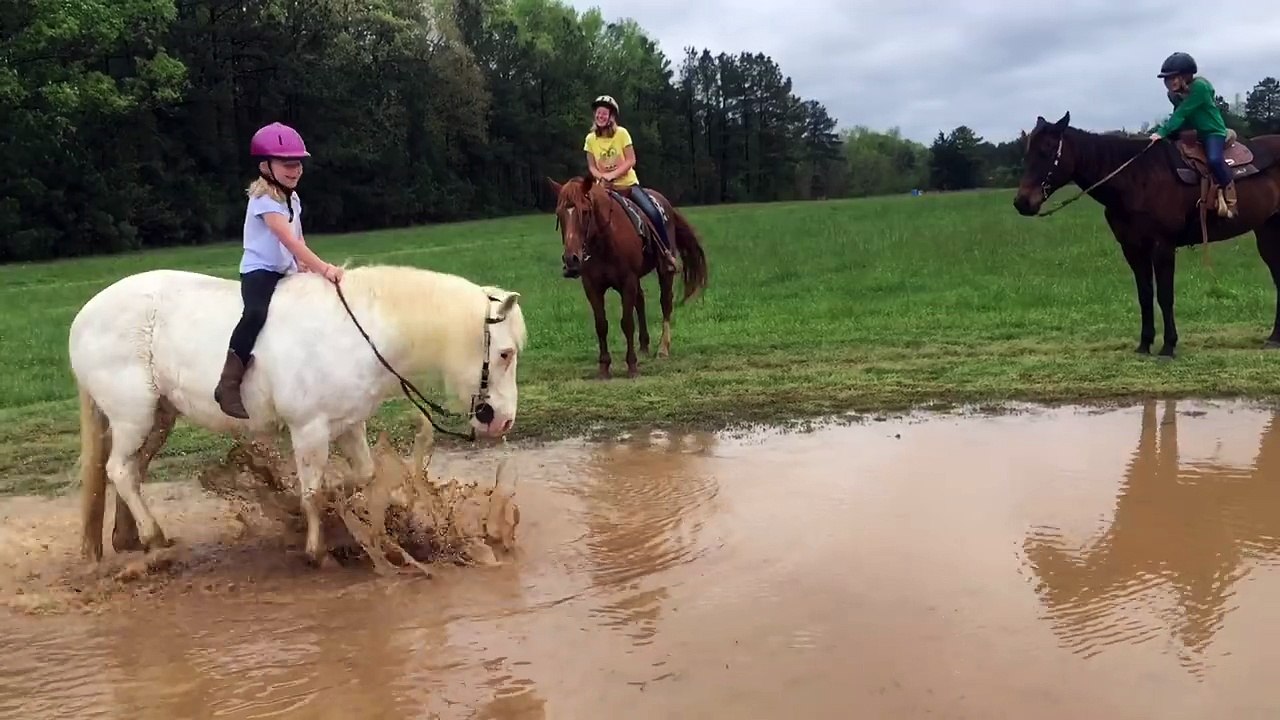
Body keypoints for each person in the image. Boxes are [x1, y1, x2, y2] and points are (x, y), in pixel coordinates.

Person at [213, 122, 345, 419]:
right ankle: (228, 383)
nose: (294, 170)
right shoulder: (263, 199)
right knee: (256, 313)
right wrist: (323, 268)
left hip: (285, 270)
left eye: (297, 164)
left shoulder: (292, 199)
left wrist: (305, 268)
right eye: (287, 164)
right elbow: (285, 238)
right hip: (260, 271)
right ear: (265, 166)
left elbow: (298, 241)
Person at [583, 95, 678, 273]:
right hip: (602, 188)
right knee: (582, 216)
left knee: (653, 212)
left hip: (627, 185)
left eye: (604, 113)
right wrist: (601, 177)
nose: (600, 116)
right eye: (598, 113)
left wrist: (611, 175)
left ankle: (666, 254)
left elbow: (630, 160)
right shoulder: (590, 139)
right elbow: (591, 166)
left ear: (611, 116)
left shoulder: (622, 134)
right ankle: (581, 257)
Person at [1149, 52, 1236, 218]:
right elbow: (1178, 114)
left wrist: (1161, 132)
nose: (1169, 82)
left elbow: (1183, 112)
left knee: (1214, 160)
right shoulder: (1173, 94)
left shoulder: (1200, 88)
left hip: (1212, 132)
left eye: (1174, 77)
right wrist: (1169, 134)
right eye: (1166, 79)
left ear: (1186, 76)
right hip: (1192, 132)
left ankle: (1231, 196)